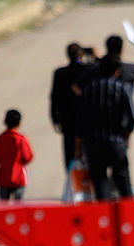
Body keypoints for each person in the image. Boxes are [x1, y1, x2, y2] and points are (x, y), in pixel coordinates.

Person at [76, 55, 134, 200]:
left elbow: (80, 121)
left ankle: (104, 219)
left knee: (100, 183)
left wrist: (78, 148)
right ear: (117, 71)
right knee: (124, 184)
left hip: (93, 143)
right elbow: (132, 118)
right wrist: (125, 137)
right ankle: (129, 217)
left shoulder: (88, 90)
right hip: (116, 142)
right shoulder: (122, 88)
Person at [50, 42, 86, 170]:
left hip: (68, 119)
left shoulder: (60, 73)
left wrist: (55, 118)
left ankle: (73, 180)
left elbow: (54, 97)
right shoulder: (87, 70)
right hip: (86, 118)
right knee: (87, 154)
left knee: (70, 154)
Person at [0, 109, 34, 201]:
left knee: (4, 206)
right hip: (19, 178)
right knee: (18, 206)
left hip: (4, 178)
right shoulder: (21, 139)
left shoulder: (0, 139)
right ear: (19, 123)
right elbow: (28, 157)